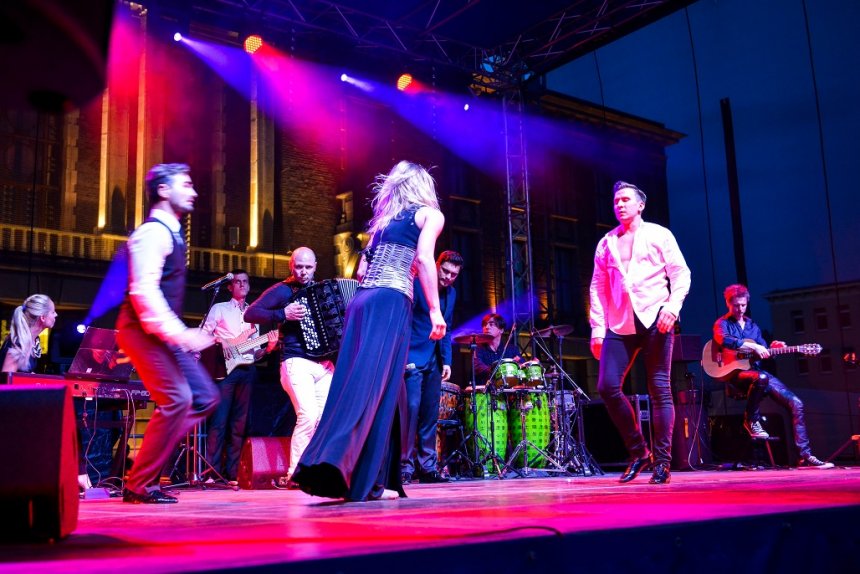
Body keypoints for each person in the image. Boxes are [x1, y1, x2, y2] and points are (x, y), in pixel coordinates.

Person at [291, 160, 446, 502]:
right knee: (373, 389)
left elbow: (361, 271)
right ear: (424, 186)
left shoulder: (383, 224)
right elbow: (423, 259)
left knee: (372, 387)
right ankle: (337, 470)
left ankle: (374, 479)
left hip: (361, 302)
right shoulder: (430, 215)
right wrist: (435, 310)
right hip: (391, 301)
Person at [116, 163, 220, 504]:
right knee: (177, 399)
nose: (194, 191)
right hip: (140, 330)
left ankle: (144, 472)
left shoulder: (173, 234)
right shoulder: (152, 234)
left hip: (159, 334)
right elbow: (144, 293)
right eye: (186, 185)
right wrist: (184, 335)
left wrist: (181, 336)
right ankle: (139, 484)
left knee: (203, 397)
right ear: (163, 190)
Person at [589, 181, 691, 485]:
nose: (619, 204)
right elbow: (597, 286)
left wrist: (672, 307)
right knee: (607, 386)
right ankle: (639, 451)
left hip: (657, 318)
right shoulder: (606, 242)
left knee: (659, 389)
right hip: (620, 322)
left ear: (640, 205)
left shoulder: (659, 234)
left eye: (625, 200)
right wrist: (597, 328)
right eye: (616, 201)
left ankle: (662, 463)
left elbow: (681, 273)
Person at [712, 284, 834, 469]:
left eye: (743, 305)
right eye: (736, 305)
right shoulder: (722, 323)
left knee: (796, 403)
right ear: (728, 304)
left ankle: (804, 456)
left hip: (757, 372)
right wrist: (753, 346)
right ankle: (750, 419)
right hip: (735, 374)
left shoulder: (753, 326)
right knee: (761, 378)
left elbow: (764, 351)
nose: (740, 309)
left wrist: (773, 349)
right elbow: (724, 340)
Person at [244, 247, 334, 482]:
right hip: (296, 361)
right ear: (291, 266)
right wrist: (282, 313)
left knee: (323, 419)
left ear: (315, 267)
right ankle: (296, 473)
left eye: (308, 267)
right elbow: (251, 313)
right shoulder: (283, 290)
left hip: (324, 365)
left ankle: (314, 469)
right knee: (308, 415)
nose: (303, 272)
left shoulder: (323, 290)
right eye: (299, 267)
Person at [200, 270, 278, 485]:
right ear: (230, 287)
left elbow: (255, 352)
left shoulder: (254, 315)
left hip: (248, 370)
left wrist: (269, 347)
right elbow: (202, 333)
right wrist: (221, 340)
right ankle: (211, 474)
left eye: (245, 281)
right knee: (219, 422)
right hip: (225, 370)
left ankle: (232, 473)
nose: (242, 285)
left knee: (239, 424)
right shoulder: (219, 308)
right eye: (238, 282)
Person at [401, 250, 463, 485]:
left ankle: (427, 467)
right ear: (436, 266)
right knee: (410, 410)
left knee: (429, 414)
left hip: (434, 359)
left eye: (453, 274)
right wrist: (404, 355)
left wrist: (446, 360)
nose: (448, 277)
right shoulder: (417, 284)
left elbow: (446, 327)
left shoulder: (452, 294)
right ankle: (405, 467)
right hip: (413, 355)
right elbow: (405, 322)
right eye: (445, 271)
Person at [1, 294, 56, 373]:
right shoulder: (18, 343)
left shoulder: (35, 340)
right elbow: (6, 378)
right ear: (43, 317)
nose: (56, 315)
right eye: (53, 312)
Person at [473, 313, 521, 385]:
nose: (487, 327)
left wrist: (527, 364)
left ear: (501, 330)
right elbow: (478, 367)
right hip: (486, 389)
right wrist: (501, 369)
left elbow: (522, 365)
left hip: (508, 389)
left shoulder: (512, 349)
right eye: (484, 325)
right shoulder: (478, 348)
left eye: (491, 324)